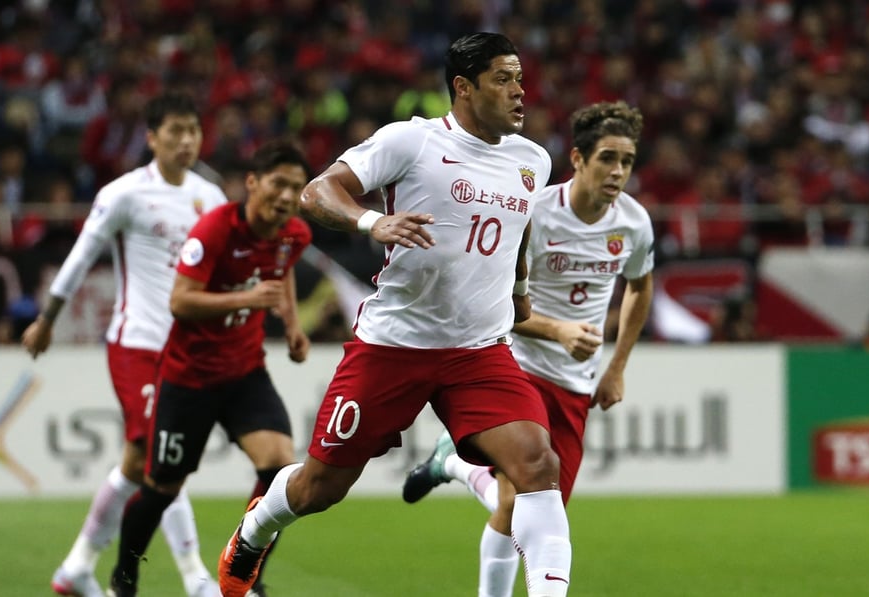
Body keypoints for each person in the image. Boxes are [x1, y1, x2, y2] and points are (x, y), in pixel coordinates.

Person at [216, 32, 574, 597]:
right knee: (320, 488)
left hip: (479, 351)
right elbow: (317, 192)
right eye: (503, 79)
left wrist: (522, 289)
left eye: (521, 79)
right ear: (463, 86)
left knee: (537, 464)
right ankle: (254, 530)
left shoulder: (532, 159)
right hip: (394, 346)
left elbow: (521, 227)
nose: (519, 92)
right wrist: (370, 222)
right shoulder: (411, 141)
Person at [402, 101, 655, 597]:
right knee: (525, 506)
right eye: (607, 158)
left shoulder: (633, 223)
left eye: (627, 161)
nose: (618, 171)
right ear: (579, 160)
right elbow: (495, 299)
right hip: (518, 367)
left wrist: (617, 368)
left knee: (518, 505)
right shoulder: (534, 213)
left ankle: (451, 465)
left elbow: (641, 287)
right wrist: (557, 331)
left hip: (575, 385)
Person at [21, 92, 228, 597]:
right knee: (163, 460)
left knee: (139, 464)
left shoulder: (212, 198)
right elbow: (81, 254)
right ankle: (196, 578)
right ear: (152, 137)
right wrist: (48, 317)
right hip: (135, 343)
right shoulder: (124, 194)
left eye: (192, 131)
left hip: (187, 351)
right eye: (174, 131)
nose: (185, 141)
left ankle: (76, 567)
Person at [106, 139, 313, 597]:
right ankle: (123, 579)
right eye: (278, 183)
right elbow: (179, 301)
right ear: (253, 183)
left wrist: (293, 326)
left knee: (281, 468)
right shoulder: (214, 230)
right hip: (188, 378)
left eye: (296, 188)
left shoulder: (294, 234)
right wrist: (247, 298)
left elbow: (285, 268)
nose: (285, 196)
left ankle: (246, 573)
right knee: (160, 487)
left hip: (244, 373)